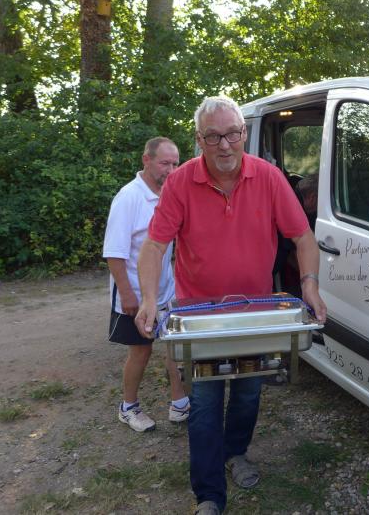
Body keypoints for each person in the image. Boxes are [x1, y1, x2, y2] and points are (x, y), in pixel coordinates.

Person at [135, 97, 327, 515]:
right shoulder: (181, 182)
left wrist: (309, 285)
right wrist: (149, 298)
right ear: (198, 139)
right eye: (213, 136)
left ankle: (235, 451)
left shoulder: (269, 177)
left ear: (243, 133)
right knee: (204, 403)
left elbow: (303, 238)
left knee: (247, 392)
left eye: (232, 134)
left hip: (254, 315)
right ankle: (209, 494)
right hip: (201, 319)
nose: (224, 145)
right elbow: (154, 245)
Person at [103, 137, 190, 433]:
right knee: (141, 351)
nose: (171, 170)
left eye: (176, 163)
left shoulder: (171, 194)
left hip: (166, 291)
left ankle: (180, 403)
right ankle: (128, 408)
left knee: (175, 346)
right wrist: (128, 295)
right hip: (136, 294)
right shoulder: (128, 198)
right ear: (146, 160)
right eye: (165, 163)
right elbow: (114, 253)